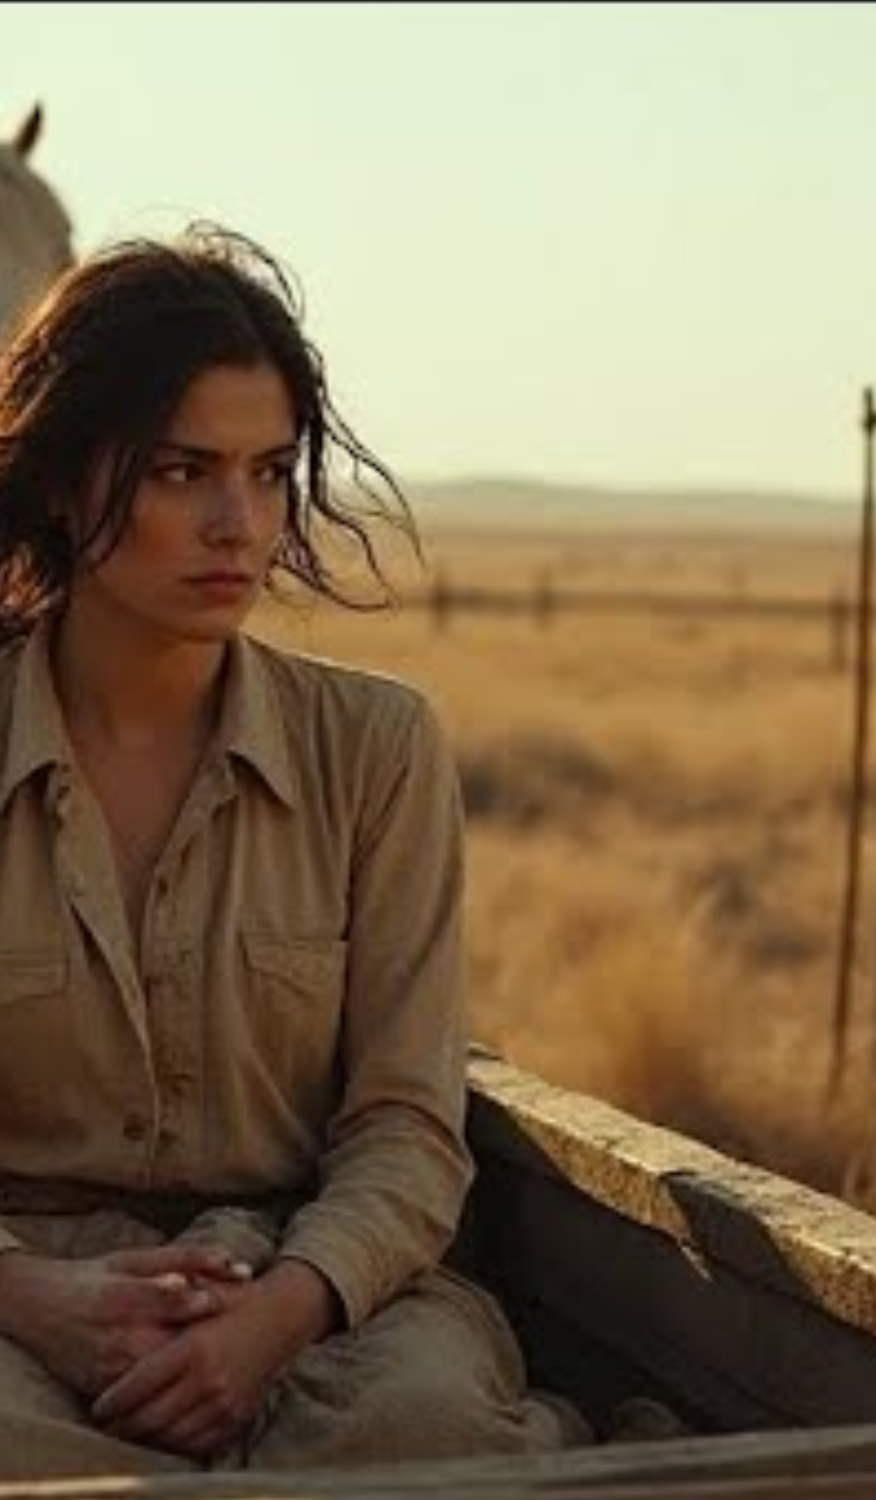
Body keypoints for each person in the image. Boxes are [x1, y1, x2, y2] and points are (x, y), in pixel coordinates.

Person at [0, 225, 571, 1475]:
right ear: (57, 480)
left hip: (309, 1273)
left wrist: (279, 1315)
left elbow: (407, 1123)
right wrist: (43, 1300)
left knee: (416, 1431)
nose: (238, 523)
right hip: (20, 1290)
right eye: (181, 471)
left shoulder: (374, 749)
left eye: (268, 473)